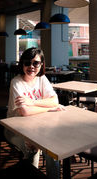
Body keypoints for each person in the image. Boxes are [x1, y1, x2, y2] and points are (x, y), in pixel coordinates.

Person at [5, 47, 63, 178]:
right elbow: (24, 111)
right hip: (15, 129)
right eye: (27, 63)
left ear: (41, 64)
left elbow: (55, 100)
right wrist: (48, 108)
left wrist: (31, 102)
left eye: (36, 63)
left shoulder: (42, 79)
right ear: (22, 64)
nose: (31, 66)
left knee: (52, 150)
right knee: (32, 148)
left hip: (40, 127)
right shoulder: (16, 82)